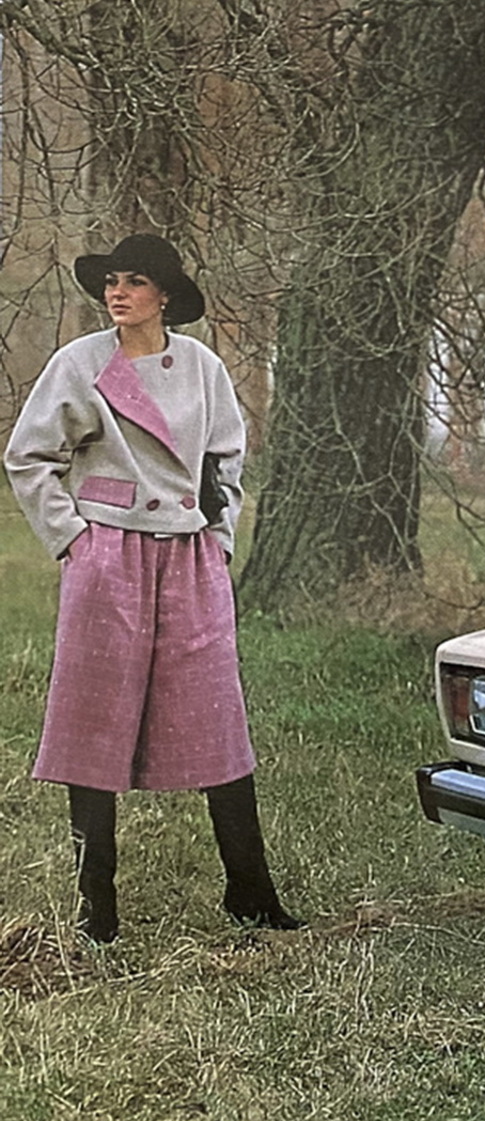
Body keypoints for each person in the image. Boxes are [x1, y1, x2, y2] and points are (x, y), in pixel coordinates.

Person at [5, 233, 300, 942]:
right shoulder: (79, 364)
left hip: (190, 560)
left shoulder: (201, 366)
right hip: (108, 555)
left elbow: (227, 459)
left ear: (164, 295)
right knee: (92, 723)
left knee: (217, 719)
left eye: (135, 281)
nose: (118, 293)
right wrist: (75, 540)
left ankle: (251, 892)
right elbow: (28, 457)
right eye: (111, 281)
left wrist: (219, 540)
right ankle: (96, 906)